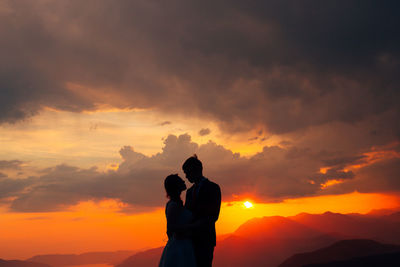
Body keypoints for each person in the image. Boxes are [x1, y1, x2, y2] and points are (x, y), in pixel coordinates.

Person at [183, 155, 221, 267]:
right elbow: (187, 213)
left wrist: (192, 226)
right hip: (190, 240)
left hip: (205, 239)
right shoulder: (189, 192)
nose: (186, 176)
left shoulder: (213, 188)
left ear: (195, 170)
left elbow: (213, 216)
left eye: (186, 172)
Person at [159, 174, 197, 267]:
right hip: (180, 247)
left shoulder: (176, 203)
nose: (184, 181)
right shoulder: (173, 205)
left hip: (183, 245)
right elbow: (171, 228)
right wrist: (194, 226)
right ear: (175, 186)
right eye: (180, 180)